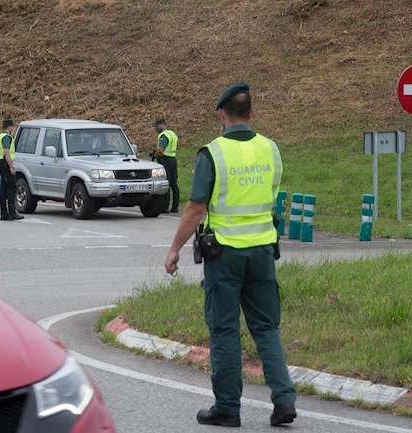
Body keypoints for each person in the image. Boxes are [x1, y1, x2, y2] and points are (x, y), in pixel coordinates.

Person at [164, 82, 296, 427]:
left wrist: (175, 248)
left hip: (224, 256)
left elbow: (195, 209)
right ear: (251, 113)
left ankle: (227, 408)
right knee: (266, 327)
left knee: (224, 330)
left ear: (222, 114)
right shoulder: (271, 149)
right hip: (263, 252)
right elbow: (270, 197)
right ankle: (284, 401)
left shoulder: (213, 153)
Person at [0, 119, 24, 221]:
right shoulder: (7, 137)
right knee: (11, 188)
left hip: (0, 164)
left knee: (3, 190)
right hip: (5, 164)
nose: (13, 129)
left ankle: (4, 214)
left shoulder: (0, 136)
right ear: (9, 127)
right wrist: (11, 166)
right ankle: (12, 213)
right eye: (12, 127)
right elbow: (6, 152)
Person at [153, 118, 179, 213]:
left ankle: (165, 207)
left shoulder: (163, 135)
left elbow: (160, 149)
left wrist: (155, 155)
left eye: (157, 126)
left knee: (166, 184)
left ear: (161, 125)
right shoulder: (172, 134)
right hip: (173, 159)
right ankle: (175, 207)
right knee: (174, 184)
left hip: (165, 160)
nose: (156, 128)